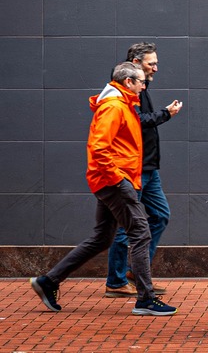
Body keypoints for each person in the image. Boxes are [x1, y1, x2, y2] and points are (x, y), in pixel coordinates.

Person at [30, 62, 177, 316]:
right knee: (141, 233)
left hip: (111, 180)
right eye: (141, 81)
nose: (145, 85)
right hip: (115, 182)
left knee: (102, 238)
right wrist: (119, 180)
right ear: (128, 82)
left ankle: (49, 281)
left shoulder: (124, 105)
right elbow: (99, 149)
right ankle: (145, 299)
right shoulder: (113, 107)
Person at [105, 42, 183, 298]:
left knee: (160, 215)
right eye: (152, 63)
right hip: (135, 168)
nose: (156, 68)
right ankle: (116, 281)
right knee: (125, 225)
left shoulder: (142, 88)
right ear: (135, 64)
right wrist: (166, 114)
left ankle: (135, 271)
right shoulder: (123, 94)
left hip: (149, 167)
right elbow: (136, 122)